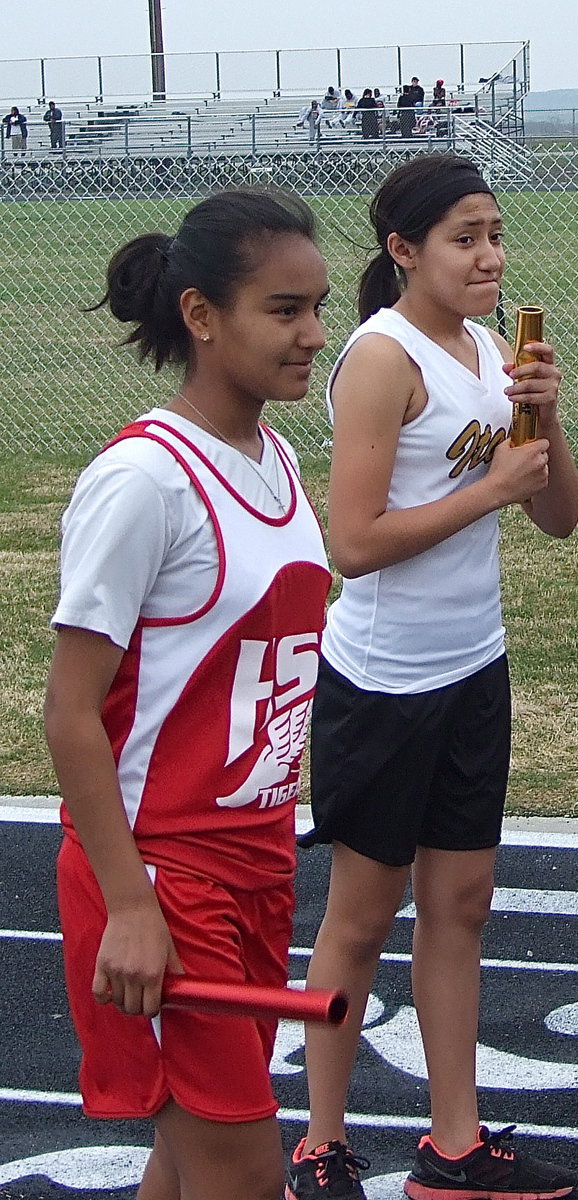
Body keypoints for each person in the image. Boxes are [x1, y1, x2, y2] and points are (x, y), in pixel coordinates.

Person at [285, 153, 578, 1200]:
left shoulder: (491, 349)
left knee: (461, 905)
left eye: (495, 234)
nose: (489, 256)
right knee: (361, 919)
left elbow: (556, 516)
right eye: (464, 238)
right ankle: (321, 1144)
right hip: (382, 684)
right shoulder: (381, 357)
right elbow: (354, 543)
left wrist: (546, 415)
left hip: (472, 668)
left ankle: (453, 1145)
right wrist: (489, 488)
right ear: (403, 250)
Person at [44, 186, 332, 1200]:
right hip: (167, 878)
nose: (313, 334)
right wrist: (131, 905)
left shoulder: (276, 456)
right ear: (201, 315)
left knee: (186, 1166)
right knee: (244, 1174)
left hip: (256, 868)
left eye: (316, 307)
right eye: (284, 310)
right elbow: (70, 714)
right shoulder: (144, 480)